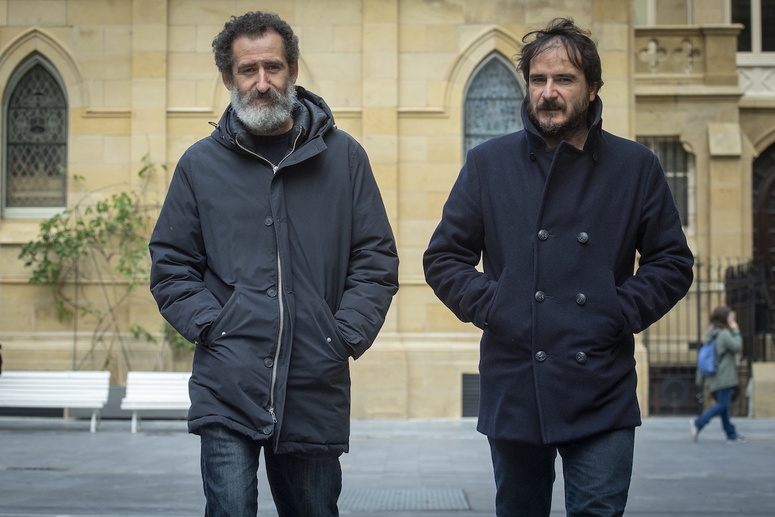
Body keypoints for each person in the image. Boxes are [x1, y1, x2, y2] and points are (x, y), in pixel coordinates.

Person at [423, 18, 694, 517]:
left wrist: (617, 310)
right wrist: (500, 305)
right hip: (516, 380)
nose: (548, 92)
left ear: (592, 89)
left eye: (564, 79)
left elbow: (672, 262)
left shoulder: (636, 166)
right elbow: (443, 258)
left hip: (602, 383)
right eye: (538, 80)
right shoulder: (488, 163)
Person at [149, 11, 399, 517]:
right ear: (228, 77)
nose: (262, 83)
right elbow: (172, 265)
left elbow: (375, 258)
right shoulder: (199, 165)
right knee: (230, 508)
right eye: (248, 70)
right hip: (227, 381)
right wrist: (214, 326)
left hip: (313, 382)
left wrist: (341, 335)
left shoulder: (344, 158)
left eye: (273, 67)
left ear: (293, 70)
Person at [691, 306, 745, 443]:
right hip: (724, 376)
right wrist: (736, 330)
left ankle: (731, 434)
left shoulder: (711, 332)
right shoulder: (724, 334)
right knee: (722, 405)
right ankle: (698, 423)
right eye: (730, 317)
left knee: (724, 407)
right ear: (725, 318)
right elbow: (737, 347)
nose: (732, 320)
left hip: (715, 375)